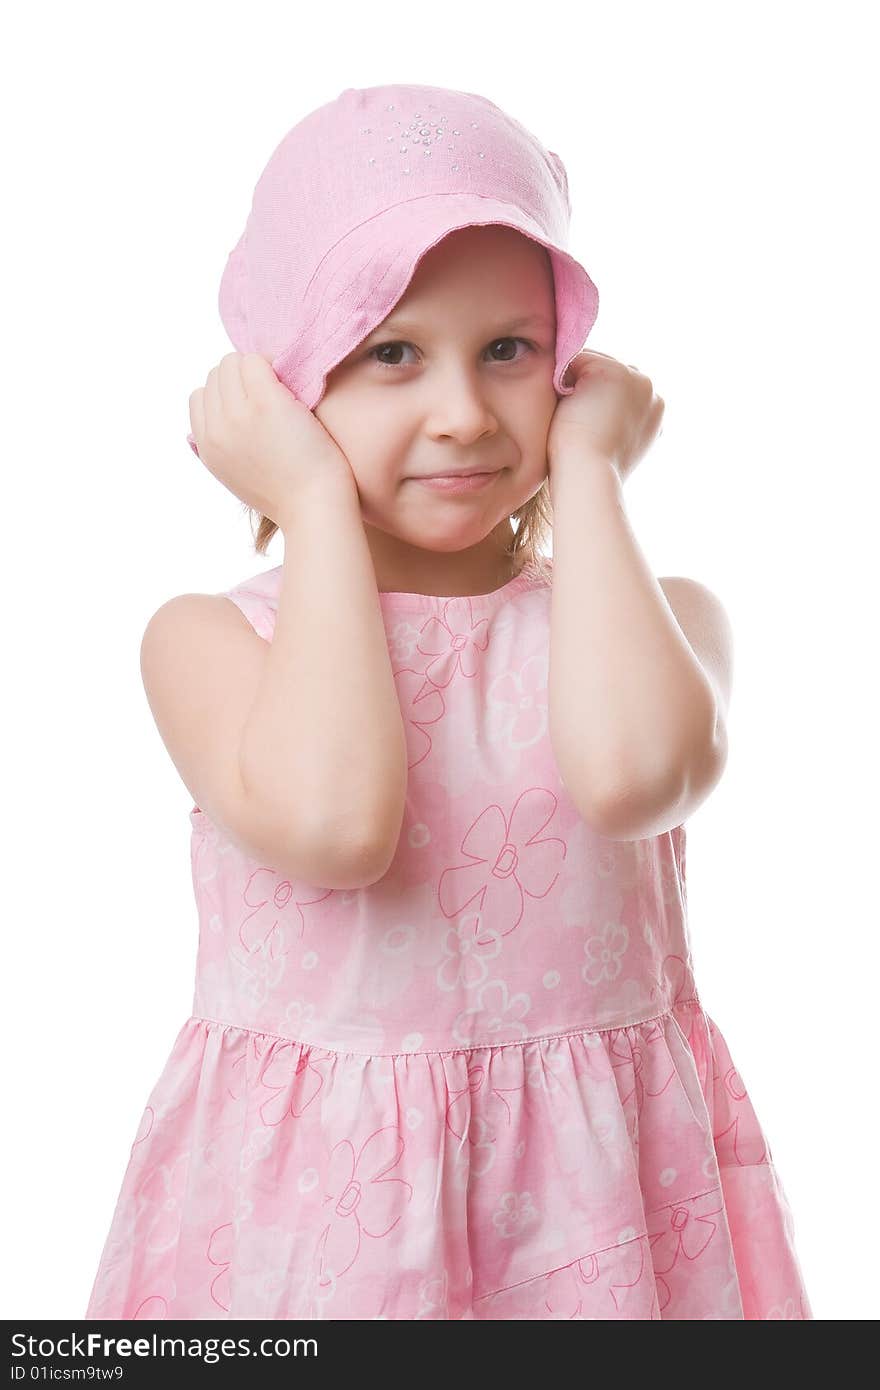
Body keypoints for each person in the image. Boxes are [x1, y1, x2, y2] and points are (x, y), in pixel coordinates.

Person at [84, 83, 813, 1321]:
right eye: (390, 353)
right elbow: (335, 824)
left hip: (596, 1220)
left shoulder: (661, 618)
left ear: (573, 370)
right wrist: (314, 503)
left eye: (510, 352)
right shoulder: (211, 644)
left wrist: (588, 474)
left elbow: (633, 775)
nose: (466, 414)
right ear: (291, 384)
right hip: (316, 1225)